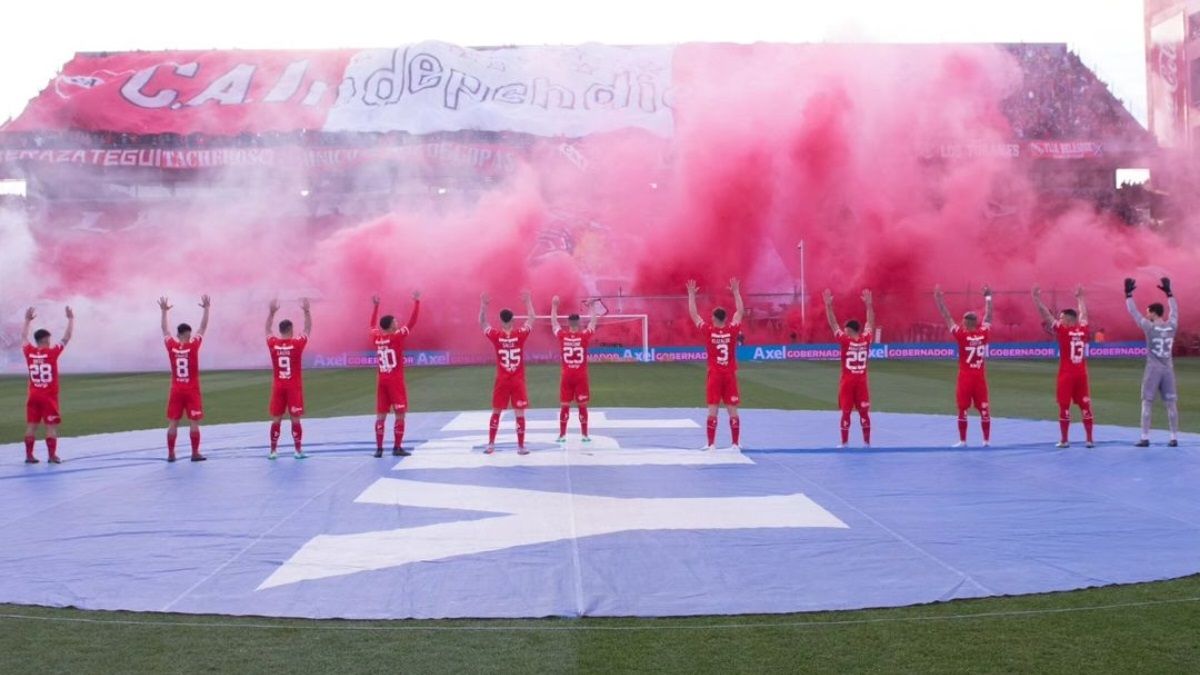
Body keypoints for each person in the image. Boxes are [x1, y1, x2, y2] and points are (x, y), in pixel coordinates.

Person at [1032, 285, 1094, 448]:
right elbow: (1084, 315)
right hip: (1081, 374)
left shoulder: (1064, 331)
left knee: (1064, 406)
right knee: (1085, 407)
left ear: (1068, 320)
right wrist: (1080, 299)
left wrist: (1037, 299)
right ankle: (1089, 440)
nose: (1059, 320)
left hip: (1067, 375)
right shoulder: (1083, 330)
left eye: (1061, 318)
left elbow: (1046, 315)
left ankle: (1065, 440)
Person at [687, 278, 745, 451]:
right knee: (732, 410)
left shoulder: (709, 331)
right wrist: (735, 291)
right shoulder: (732, 330)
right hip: (729, 376)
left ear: (714, 318)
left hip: (715, 375)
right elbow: (740, 312)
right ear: (725, 318)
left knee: (713, 410)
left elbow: (694, 315)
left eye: (711, 316)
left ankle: (711, 444)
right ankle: (735, 444)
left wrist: (691, 295)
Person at [934, 285, 993, 447]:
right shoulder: (983, 333)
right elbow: (988, 317)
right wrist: (988, 298)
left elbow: (947, 318)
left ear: (967, 322)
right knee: (984, 410)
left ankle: (963, 440)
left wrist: (939, 300)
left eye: (964, 320)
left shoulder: (962, 335)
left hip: (966, 378)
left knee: (962, 410)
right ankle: (986, 441)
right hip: (980, 378)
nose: (961, 322)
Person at [1125, 276, 1180, 447]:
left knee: (1147, 402)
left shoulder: (1149, 327)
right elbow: (1175, 311)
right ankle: (1173, 438)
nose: (1146, 313)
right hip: (1168, 368)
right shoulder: (1172, 325)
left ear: (1154, 313)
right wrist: (1169, 293)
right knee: (1171, 404)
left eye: (1148, 311)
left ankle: (1145, 437)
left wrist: (1128, 295)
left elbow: (1134, 313)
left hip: (1153, 369)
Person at [481, 291, 536, 455]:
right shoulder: (520, 335)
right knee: (519, 414)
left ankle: (491, 444)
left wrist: (483, 305)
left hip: (502, 380)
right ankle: (520, 446)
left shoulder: (496, 336)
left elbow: (482, 323)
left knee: (496, 411)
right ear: (512, 320)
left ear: (500, 320)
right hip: (517, 380)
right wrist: (528, 301)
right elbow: (532, 318)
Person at [159, 295, 210, 462]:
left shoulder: (172, 346)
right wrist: (207, 309)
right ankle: (195, 453)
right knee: (194, 422)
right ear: (187, 333)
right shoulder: (193, 346)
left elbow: (165, 331)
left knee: (173, 422)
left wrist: (164, 312)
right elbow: (203, 328)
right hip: (191, 390)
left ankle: (171, 454)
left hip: (176, 390)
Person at [369, 292, 421, 458]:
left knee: (380, 416)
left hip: (382, 380)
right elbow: (412, 322)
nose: (398, 323)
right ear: (391, 326)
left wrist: (375, 306)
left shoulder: (376, 338)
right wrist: (417, 302)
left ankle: (379, 449)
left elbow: (371, 326)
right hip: (395, 381)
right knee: (400, 414)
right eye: (395, 322)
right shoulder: (396, 337)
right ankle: (397, 447)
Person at [21, 305, 74, 464]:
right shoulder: (52, 353)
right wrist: (70, 318)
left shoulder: (28, 351)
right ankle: (51, 456)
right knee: (50, 426)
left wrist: (26, 320)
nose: (51, 341)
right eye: (49, 339)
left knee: (31, 426)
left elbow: (23, 337)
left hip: (33, 395)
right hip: (48, 397)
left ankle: (29, 456)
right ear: (45, 339)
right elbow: (67, 337)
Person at [823, 288, 875, 448]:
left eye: (846, 328)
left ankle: (844, 443)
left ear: (849, 330)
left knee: (846, 412)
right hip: (861, 382)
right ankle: (867, 443)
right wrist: (869, 305)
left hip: (847, 382)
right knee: (864, 413)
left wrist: (828, 306)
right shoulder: (866, 339)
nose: (843, 330)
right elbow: (870, 323)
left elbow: (833, 324)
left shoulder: (845, 340)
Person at [266, 298, 312, 460]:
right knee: (295, 419)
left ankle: (273, 451)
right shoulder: (296, 344)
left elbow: (267, 331)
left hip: (278, 386)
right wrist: (306, 311)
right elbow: (307, 329)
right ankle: (298, 450)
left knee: (276, 419)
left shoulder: (273, 344)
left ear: (280, 330)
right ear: (291, 329)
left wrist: (271, 313)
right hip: (293, 387)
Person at [550, 296, 598, 443]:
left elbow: (554, 323)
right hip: (580, 376)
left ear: (569, 324)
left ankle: (562, 435)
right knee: (582, 406)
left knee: (565, 405)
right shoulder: (584, 336)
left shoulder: (563, 336)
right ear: (579, 323)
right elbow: (593, 322)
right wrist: (591, 307)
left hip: (566, 376)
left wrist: (554, 306)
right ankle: (584, 435)